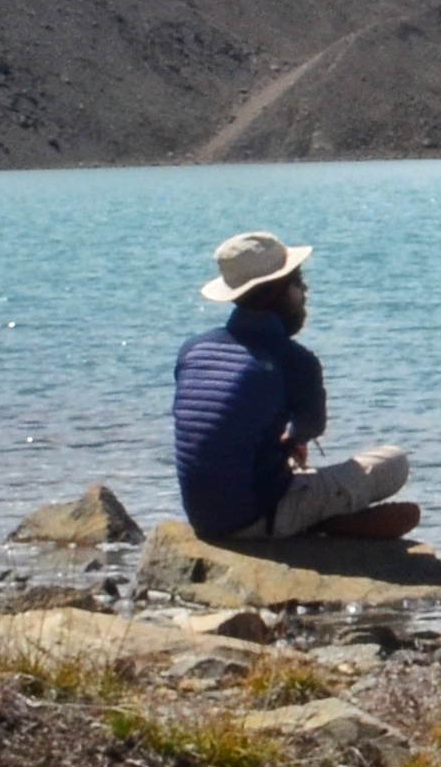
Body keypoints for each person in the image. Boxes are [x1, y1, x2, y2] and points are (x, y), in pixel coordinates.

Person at [172, 229, 416, 545]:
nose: (306, 290)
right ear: (279, 293)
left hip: (203, 518)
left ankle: (316, 516)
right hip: (255, 518)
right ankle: (320, 524)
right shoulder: (294, 360)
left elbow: (222, 426)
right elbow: (312, 426)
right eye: (299, 283)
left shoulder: (193, 349)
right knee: (394, 463)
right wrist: (294, 440)